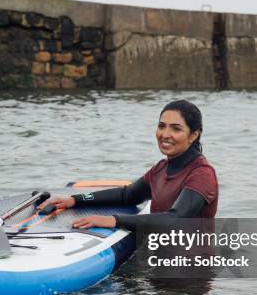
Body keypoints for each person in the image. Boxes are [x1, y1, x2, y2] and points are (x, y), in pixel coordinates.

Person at [39, 99, 218, 231]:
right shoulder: (161, 168)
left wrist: (114, 220)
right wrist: (75, 200)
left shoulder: (201, 174)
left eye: (176, 128)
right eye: (162, 126)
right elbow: (127, 195)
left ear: (194, 135)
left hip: (190, 275)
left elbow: (175, 219)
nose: (165, 134)